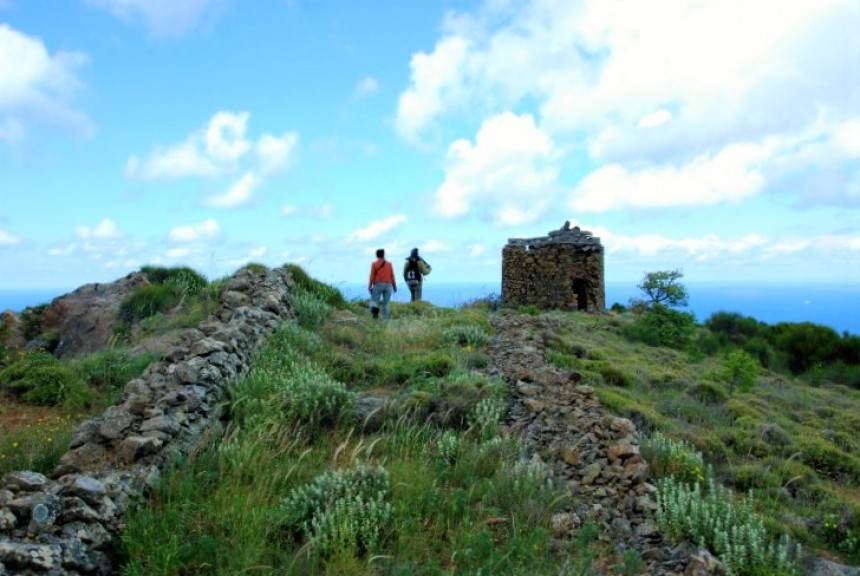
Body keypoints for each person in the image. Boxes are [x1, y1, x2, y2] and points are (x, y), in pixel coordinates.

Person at [368, 248, 397, 319]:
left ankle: (374, 316)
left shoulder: (374, 264)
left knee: (374, 301)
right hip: (388, 285)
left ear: (376, 255)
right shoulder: (389, 264)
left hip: (378, 284)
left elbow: (372, 275)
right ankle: (385, 319)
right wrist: (394, 286)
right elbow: (392, 275)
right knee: (386, 303)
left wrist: (370, 285)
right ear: (384, 255)